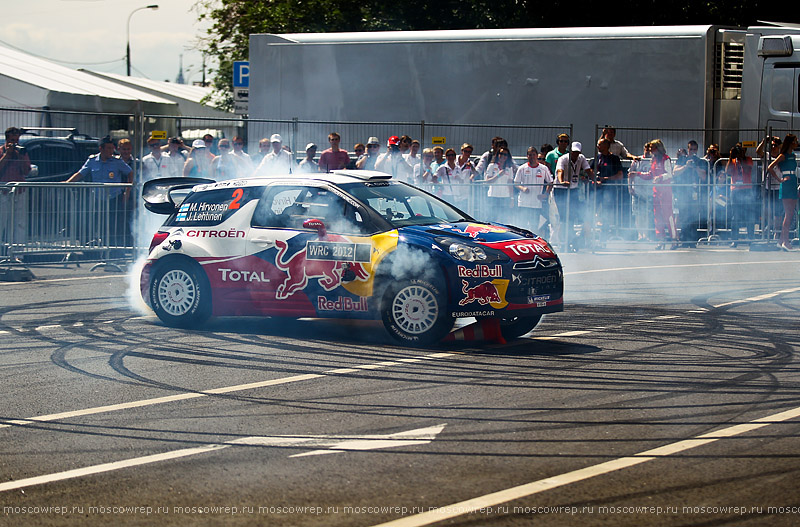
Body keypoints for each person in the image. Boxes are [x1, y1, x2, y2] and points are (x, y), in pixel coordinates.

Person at [67, 136, 133, 247]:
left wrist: (127, 190)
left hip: (114, 198)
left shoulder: (117, 162)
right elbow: (80, 174)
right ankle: (103, 247)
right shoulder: (92, 161)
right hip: (98, 198)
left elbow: (130, 173)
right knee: (99, 223)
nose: (111, 151)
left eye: (112, 148)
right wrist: (67, 183)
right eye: (108, 148)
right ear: (101, 148)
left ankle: (114, 248)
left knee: (114, 224)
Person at [555, 141, 593, 249]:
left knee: (572, 216)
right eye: (573, 152)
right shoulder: (563, 158)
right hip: (561, 189)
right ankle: (563, 242)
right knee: (563, 217)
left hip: (573, 189)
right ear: (570, 151)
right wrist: (562, 181)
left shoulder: (581, 158)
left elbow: (588, 170)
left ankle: (570, 239)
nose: (575, 155)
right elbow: (560, 171)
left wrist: (595, 179)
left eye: (577, 152)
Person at [0, 126, 31, 251]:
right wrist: (7, 154)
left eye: (17, 140)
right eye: (12, 140)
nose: (15, 143)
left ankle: (18, 254)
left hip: (19, 191)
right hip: (3, 192)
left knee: (19, 224)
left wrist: (20, 156)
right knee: (1, 223)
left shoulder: (21, 152)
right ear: (7, 140)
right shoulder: (1, 151)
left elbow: (26, 171)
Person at [672, 140, 709, 246]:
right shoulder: (682, 159)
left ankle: (692, 240)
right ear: (687, 149)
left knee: (693, 216)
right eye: (690, 149)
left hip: (695, 192)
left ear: (697, 150)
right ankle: (684, 239)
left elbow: (704, 176)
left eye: (694, 149)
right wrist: (686, 166)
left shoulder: (700, 161)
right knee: (683, 215)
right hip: (683, 192)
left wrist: (696, 168)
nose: (692, 151)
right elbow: (674, 172)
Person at [768, 133, 798, 251]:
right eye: (795, 141)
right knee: (789, 213)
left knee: (790, 213)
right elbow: (770, 167)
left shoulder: (793, 155)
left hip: (793, 182)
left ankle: (781, 241)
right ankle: (786, 241)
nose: (796, 143)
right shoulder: (782, 155)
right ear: (790, 143)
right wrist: (779, 179)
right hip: (786, 184)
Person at [514, 146, 553, 233]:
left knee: (534, 226)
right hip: (523, 203)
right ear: (527, 156)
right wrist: (523, 188)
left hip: (536, 204)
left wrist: (545, 195)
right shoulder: (522, 168)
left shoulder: (543, 168)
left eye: (533, 155)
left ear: (536, 156)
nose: (532, 157)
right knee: (522, 226)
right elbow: (516, 183)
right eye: (530, 155)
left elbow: (550, 182)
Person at [591, 138, 623, 239]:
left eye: (600, 145)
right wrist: (595, 180)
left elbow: (620, 175)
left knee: (607, 212)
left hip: (609, 190)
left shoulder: (614, 159)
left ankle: (605, 234)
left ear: (606, 146)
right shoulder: (597, 158)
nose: (597, 147)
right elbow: (590, 171)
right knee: (592, 210)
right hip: (597, 191)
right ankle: (591, 234)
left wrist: (605, 179)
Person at [725, 143, 756, 246]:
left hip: (746, 189)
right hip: (735, 190)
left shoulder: (748, 159)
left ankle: (750, 238)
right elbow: (727, 172)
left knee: (749, 215)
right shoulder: (733, 160)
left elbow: (747, 169)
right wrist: (731, 156)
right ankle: (735, 240)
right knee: (735, 216)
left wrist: (741, 158)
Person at [649, 139, 678, 250]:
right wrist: (637, 174)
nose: (651, 151)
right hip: (656, 192)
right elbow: (650, 175)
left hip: (665, 192)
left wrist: (660, 177)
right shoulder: (654, 160)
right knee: (657, 217)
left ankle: (674, 239)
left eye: (653, 148)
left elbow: (670, 174)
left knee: (668, 216)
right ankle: (661, 240)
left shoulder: (666, 159)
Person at [757, 135, 783, 240]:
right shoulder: (767, 155)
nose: (773, 147)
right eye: (772, 145)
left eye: (775, 146)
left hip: (778, 186)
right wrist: (764, 141)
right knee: (767, 208)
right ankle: (769, 225)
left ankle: (776, 232)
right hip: (768, 186)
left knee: (778, 211)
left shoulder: (781, 157)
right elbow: (758, 151)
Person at [628, 142, 654, 241]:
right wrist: (630, 187)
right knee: (638, 214)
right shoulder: (637, 160)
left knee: (647, 213)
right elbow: (630, 174)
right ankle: (640, 234)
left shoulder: (653, 161)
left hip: (648, 191)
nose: (648, 152)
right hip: (637, 191)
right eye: (647, 150)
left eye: (650, 150)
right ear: (644, 150)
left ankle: (646, 235)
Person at [484, 147, 516, 222]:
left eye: (505, 154)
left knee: (504, 219)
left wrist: (512, 198)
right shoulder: (492, 166)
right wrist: (498, 175)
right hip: (493, 196)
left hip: (505, 197)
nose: (503, 156)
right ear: (498, 155)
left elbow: (510, 185)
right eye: (501, 154)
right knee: (491, 218)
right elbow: (487, 181)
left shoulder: (509, 168)